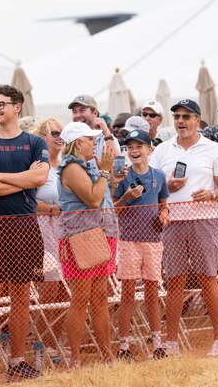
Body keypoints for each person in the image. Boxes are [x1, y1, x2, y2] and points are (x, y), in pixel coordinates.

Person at [0, 85, 49, 384]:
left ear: (17, 107)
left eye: (1, 104)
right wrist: (23, 181)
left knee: (21, 296)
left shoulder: (34, 141)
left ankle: (17, 362)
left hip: (26, 225)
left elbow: (40, 177)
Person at [150, 99, 218, 356]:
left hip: (204, 220)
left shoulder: (213, 148)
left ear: (198, 120)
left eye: (186, 116)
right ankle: (172, 342)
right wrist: (167, 187)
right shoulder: (163, 149)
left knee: (208, 279)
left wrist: (210, 194)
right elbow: (152, 186)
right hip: (171, 221)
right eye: (177, 117)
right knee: (174, 281)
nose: (181, 121)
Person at [57, 122, 119, 367]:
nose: (95, 143)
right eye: (91, 139)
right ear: (78, 143)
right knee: (81, 298)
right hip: (80, 236)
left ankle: (107, 355)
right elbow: (93, 199)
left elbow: (103, 196)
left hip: (100, 234)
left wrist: (106, 173)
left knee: (101, 296)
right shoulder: (71, 168)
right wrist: (104, 173)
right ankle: (75, 358)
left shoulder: (88, 165)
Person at [112, 129, 169, 360]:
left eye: (139, 146)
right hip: (128, 241)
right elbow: (114, 209)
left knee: (152, 293)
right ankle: (124, 345)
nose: (134, 151)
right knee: (127, 294)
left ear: (149, 150)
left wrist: (164, 214)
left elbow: (163, 203)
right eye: (130, 147)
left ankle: (157, 343)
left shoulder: (159, 175)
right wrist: (127, 197)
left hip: (153, 240)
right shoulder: (121, 176)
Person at [30, 118, 69, 361]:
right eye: (54, 132)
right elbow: (23, 200)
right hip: (43, 230)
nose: (59, 136)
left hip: (66, 231)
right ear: (42, 136)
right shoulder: (35, 164)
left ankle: (54, 344)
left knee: (66, 292)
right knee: (49, 291)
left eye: (62, 133)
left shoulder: (66, 164)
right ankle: (40, 346)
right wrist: (49, 209)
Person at [68, 94, 120, 160]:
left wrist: (106, 132)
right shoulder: (69, 139)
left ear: (95, 113)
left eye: (82, 110)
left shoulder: (107, 138)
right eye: (74, 111)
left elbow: (119, 166)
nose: (77, 115)